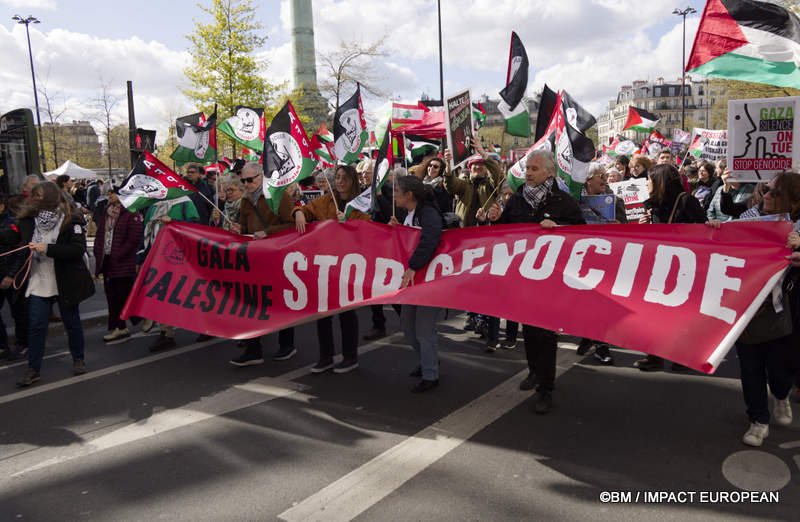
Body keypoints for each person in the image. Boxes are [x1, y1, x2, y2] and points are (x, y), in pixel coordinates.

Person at [486, 150, 585, 414]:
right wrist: (495, 220)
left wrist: (560, 227)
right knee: (528, 331)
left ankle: (546, 388)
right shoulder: (517, 200)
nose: (528, 173)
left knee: (545, 334)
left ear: (549, 173)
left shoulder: (564, 202)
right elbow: (503, 233)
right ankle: (533, 370)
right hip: (523, 277)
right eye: (527, 168)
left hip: (551, 279)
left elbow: (583, 235)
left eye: (534, 169)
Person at [734, 170, 800, 446]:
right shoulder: (750, 218)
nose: (767, 195)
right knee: (751, 369)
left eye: (775, 192)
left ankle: (782, 394)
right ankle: (758, 420)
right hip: (746, 307)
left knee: (780, 370)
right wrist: (715, 228)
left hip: (781, 309)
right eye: (766, 190)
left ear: (793, 201)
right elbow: (728, 236)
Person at [15, 182, 95, 387]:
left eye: (39, 196)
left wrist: (47, 248)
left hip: (65, 280)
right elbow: (17, 243)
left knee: (72, 322)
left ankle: (78, 358)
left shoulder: (70, 220)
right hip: (39, 281)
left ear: (51, 197)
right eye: (34, 196)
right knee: (36, 326)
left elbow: (77, 250)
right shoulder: (28, 221)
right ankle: (33, 369)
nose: (34, 199)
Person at [293, 165, 370, 373]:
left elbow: (369, 229)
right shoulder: (327, 199)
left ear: (353, 180)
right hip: (325, 265)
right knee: (323, 314)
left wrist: (348, 222)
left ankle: (350, 356)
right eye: (337, 177)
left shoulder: (362, 202)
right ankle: (325, 357)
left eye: (345, 178)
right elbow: (306, 209)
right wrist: (299, 212)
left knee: (346, 314)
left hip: (348, 265)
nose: (340, 181)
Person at [635, 164, 707, 372]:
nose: (646, 183)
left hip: (682, 267)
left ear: (660, 182)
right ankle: (654, 355)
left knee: (679, 314)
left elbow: (703, 230)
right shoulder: (652, 205)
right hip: (658, 265)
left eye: (649, 179)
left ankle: (683, 357)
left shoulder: (686, 201)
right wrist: (644, 226)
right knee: (653, 313)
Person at [228, 162, 298, 366]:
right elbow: (244, 229)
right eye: (243, 180)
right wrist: (238, 230)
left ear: (261, 177)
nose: (246, 184)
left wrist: (268, 233)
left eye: (250, 180)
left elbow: (293, 224)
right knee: (251, 302)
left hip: (277, 256)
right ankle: (253, 349)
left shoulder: (278, 196)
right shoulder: (245, 202)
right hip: (254, 258)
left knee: (280, 300)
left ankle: (287, 344)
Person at [389, 175, 444, 392]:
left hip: (429, 280)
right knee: (408, 327)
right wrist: (397, 229)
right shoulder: (409, 213)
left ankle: (431, 375)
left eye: (396, 191)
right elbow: (408, 240)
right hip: (414, 281)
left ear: (409, 195)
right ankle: (427, 361)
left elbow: (430, 239)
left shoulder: (428, 213)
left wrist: (413, 265)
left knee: (423, 329)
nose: (394, 195)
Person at [138, 187, 200, 352]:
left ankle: (204, 326)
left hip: (178, 259)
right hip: (156, 258)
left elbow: (196, 225)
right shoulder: (153, 206)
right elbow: (145, 231)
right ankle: (166, 333)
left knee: (186, 295)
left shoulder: (185, 203)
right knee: (161, 295)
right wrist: (141, 257)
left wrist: (173, 223)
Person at [93, 187, 144, 342]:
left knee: (124, 294)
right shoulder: (106, 212)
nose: (109, 196)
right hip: (107, 260)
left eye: (112, 193)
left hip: (123, 261)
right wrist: (98, 251)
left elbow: (134, 238)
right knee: (112, 296)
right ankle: (119, 327)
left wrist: (119, 254)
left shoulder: (131, 212)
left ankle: (141, 317)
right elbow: (101, 233)